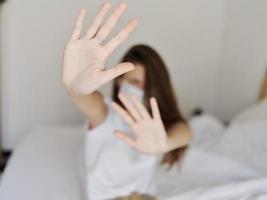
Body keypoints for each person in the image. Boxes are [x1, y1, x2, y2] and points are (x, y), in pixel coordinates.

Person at [62, 2, 192, 199]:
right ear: (120, 80)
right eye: (135, 81)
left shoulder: (154, 121)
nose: (139, 90)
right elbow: (89, 102)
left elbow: (185, 131)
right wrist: (76, 89)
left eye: (146, 85)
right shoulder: (106, 112)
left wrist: (165, 144)